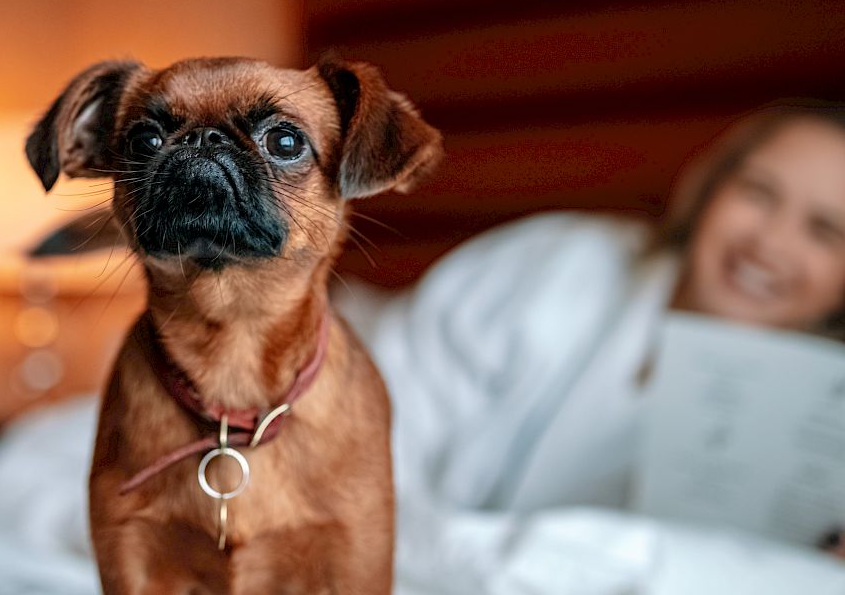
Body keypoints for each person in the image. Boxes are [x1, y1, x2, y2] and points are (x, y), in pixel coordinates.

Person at [335, 101, 845, 586]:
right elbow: (365, 455)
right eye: (758, 191)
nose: (770, 242)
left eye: (824, 231)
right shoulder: (558, 264)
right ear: (710, 186)